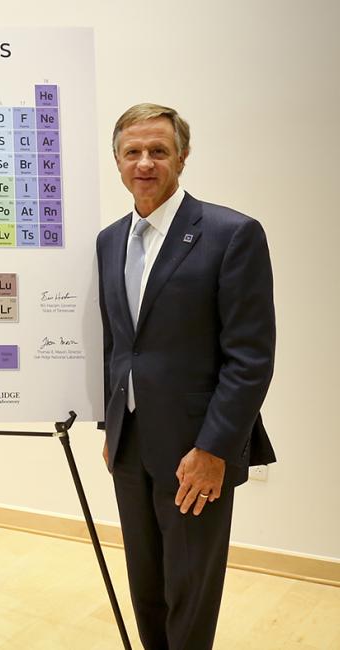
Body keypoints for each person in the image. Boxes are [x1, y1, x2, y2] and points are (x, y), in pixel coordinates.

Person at [96, 103, 275, 650]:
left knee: (191, 590)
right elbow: (118, 344)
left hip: (196, 450)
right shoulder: (108, 241)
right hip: (129, 447)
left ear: (183, 157)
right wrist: (111, 426)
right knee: (145, 584)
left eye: (158, 150)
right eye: (133, 152)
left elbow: (250, 357)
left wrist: (215, 448)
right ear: (118, 161)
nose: (145, 162)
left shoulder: (231, 233)